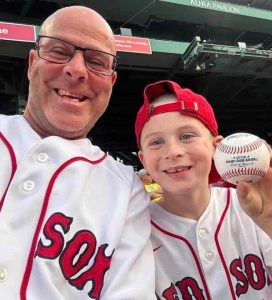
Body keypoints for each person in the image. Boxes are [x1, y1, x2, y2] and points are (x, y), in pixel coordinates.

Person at [0, 6, 155, 299]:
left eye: (97, 61)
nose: (77, 70)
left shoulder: (128, 193)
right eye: (59, 51)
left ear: (110, 83)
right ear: (32, 63)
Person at [134, 80, 272, 299]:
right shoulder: (134, 230)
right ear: (144, 160)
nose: (173, 151)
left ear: (216, 147)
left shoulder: (245, 207)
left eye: (186, 136)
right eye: (156, 142)